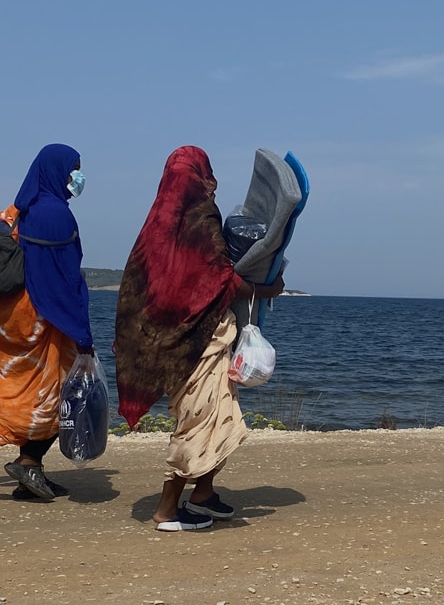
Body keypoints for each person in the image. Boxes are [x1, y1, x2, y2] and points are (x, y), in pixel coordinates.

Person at [113, 145, 284, 531]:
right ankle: (167, 509)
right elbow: (211, 280)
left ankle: (203, 492)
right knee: (200, 422)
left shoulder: (158, 223)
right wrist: (267, 288)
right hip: (197, 342)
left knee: (220, 417)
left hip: (175, 341)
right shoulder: (200, 217)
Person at [0, 143, 94, 500]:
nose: (78, 178)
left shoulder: (16, 211)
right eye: (74, 170)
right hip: (42, 317)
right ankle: (29, 462)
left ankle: (30, 468)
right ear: (57, 172)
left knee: (13, 390)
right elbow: (60, 280)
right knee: (59, 393)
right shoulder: (55, 215)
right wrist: (81, 333)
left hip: (10, 320)